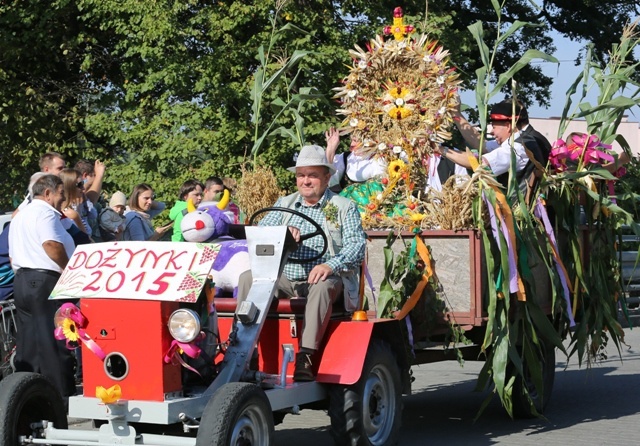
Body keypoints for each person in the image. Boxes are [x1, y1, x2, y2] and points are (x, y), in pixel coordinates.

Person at [236, 145, 367, 381]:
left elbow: (357, 246)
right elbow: (262, 231)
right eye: (301, 175)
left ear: (327, 178)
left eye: (313, 175)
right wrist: (282, 232)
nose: (305, 181)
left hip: (327, 280)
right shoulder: (285, 203)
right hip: (286, 278)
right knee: (248, 277)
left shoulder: (343, 207)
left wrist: (330, 266)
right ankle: (245, 350)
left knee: (323, 284)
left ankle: (305, 355)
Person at [8, 174, 76, 398]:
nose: (63, 200)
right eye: (61, 194)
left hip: (22, 280)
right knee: (53, 341)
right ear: (47, 193)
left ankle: (26, 395)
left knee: (29, 343)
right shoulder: (45, 213)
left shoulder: (20, 216)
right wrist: (69, 270)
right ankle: (58, 396)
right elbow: (51, 244)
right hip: (45, 280)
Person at [438, 100, 546, 202]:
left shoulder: (517, 147)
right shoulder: (518, 141)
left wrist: (440, 149)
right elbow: (482, 145)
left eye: (494, 127)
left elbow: (478, 163)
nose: (492, 132)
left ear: (508, 126)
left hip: (516, 217)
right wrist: (456, 114)